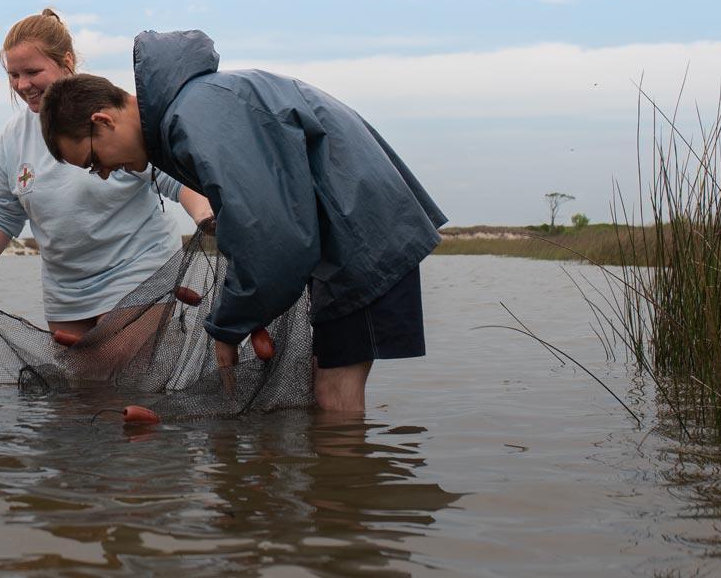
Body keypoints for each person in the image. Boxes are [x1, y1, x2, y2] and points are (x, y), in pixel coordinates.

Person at [37, 30, 446, 412]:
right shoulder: (191, 109)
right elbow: (257, 224)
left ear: (103, 121)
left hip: (364, 235)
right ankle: (341, 483)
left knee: (334, 396)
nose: (106, 173)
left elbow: (275, 240)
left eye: (93, 162)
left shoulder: (194, 118)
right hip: (350, 231)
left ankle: (344, 485)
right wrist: (247, 311)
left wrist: (228, 327)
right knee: (329, 385)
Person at [0, 9, 211, 337]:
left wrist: (205, 213)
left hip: (138, 271)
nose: (23, 85)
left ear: (66, 60)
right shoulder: (11, 139)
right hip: (65, 293)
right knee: (81, 387)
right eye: (13, 75)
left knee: (119, 384)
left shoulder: (110, 113)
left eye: (32, 71)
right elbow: (1, 214)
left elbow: (171, 176)